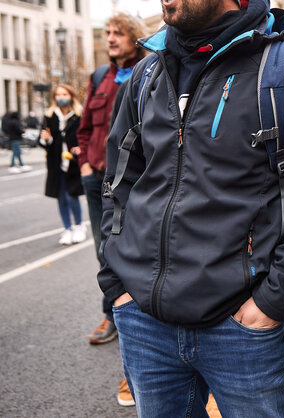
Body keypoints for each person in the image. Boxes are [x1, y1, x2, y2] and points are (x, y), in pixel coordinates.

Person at [98, 0, 284, 415]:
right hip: (145, 322)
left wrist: (270, 305)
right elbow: (118, 182)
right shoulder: (147, 74)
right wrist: (117, 283)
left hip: (243, 329)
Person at [75, 13, 146, 350]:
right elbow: (85, 125)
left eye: (119, 32)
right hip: (98, 178)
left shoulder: (150, 70)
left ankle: (141, 317)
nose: (111, 38)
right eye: (107, 32)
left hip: (134, 181)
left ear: (134, 37)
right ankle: (112, 313)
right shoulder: (100, 76)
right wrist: (85, 165)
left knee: (139, 249)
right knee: (103, 249)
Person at [38, 85, 86, 246]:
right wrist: (46, 139)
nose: (61, 97)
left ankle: (79, 226)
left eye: (64, 94)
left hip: (73, 163)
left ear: (71, 96)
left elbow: (86, 135)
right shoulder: (49, 115)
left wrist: (81, 148)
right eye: (58, 95)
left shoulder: (80, 114)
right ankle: (67, 228)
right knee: (61, 197)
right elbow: (45, 142)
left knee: (71, 195)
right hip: (56, 164)